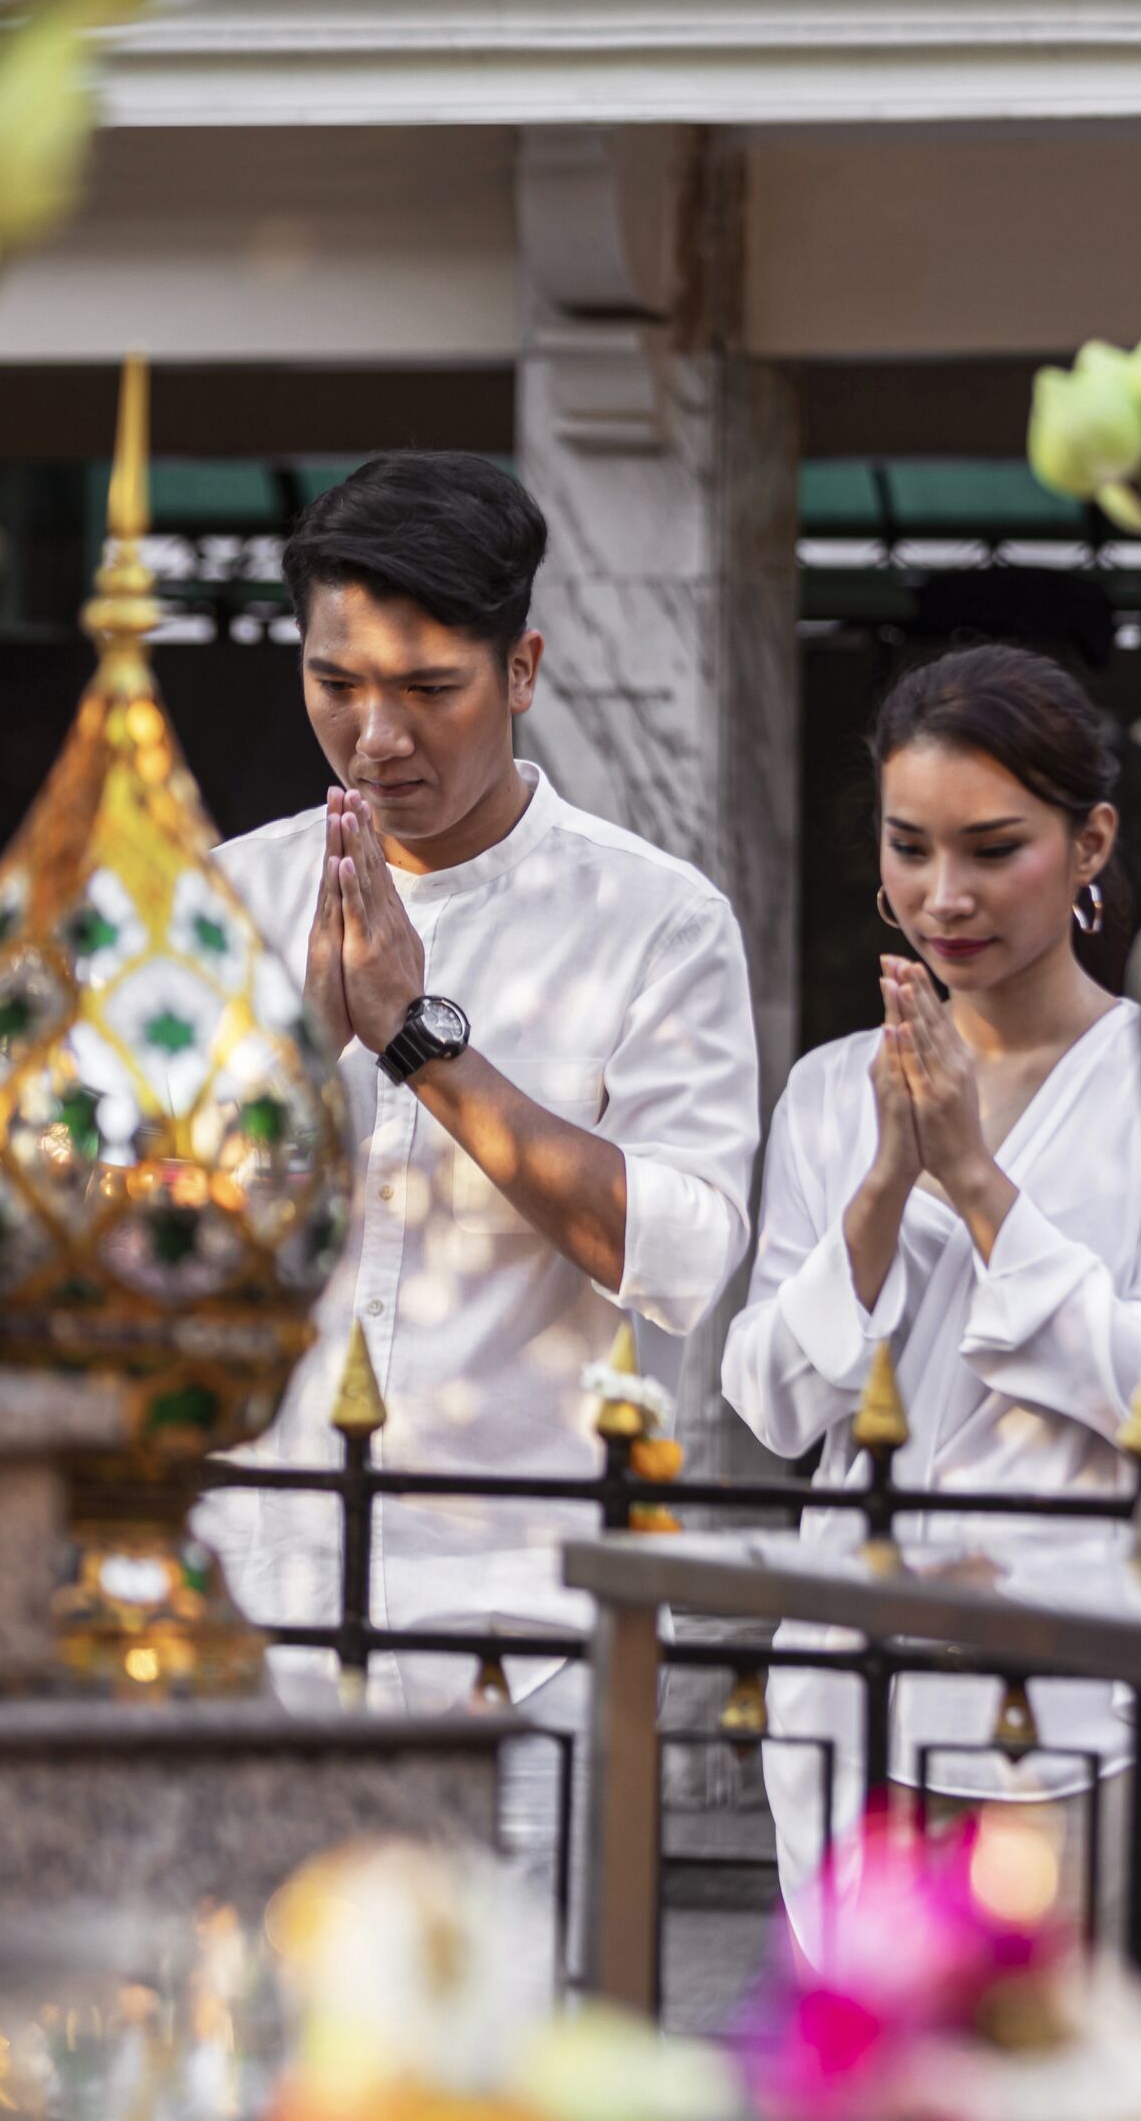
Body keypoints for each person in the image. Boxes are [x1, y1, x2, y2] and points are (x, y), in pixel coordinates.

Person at [202, 452, 764, 1864]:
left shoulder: (657, 920)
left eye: (428, 689)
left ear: (520, 670)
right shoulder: (222, 896)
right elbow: (145, 1238)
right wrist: (291, 1071)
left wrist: (418, 1042)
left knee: (492, 2079)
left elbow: (689, 1258)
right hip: (246, 1604)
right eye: (338, 683)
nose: (376, 736)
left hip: (507, 1640)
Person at [718, 643, 1141, 2006]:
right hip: (862, 1696)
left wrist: (980, 1181)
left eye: (993, 849)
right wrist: (887, 1180)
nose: (944, 897)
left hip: (1095, 1707)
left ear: (1091, 846)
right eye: (910, 848)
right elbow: (771, 1403)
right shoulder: (837, 1094)